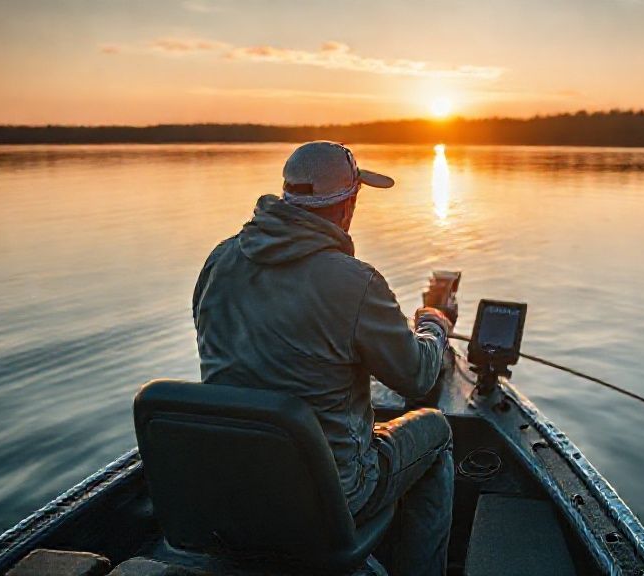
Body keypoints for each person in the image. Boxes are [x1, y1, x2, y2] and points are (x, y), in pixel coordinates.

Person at [192, 141, 455, 576]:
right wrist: (434, 326)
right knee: (438, 431)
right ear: (348, 205)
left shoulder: (219, 260)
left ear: (287, 196)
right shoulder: (356, 282)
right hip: (335, 493)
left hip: (234, 483)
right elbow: (418, 377)